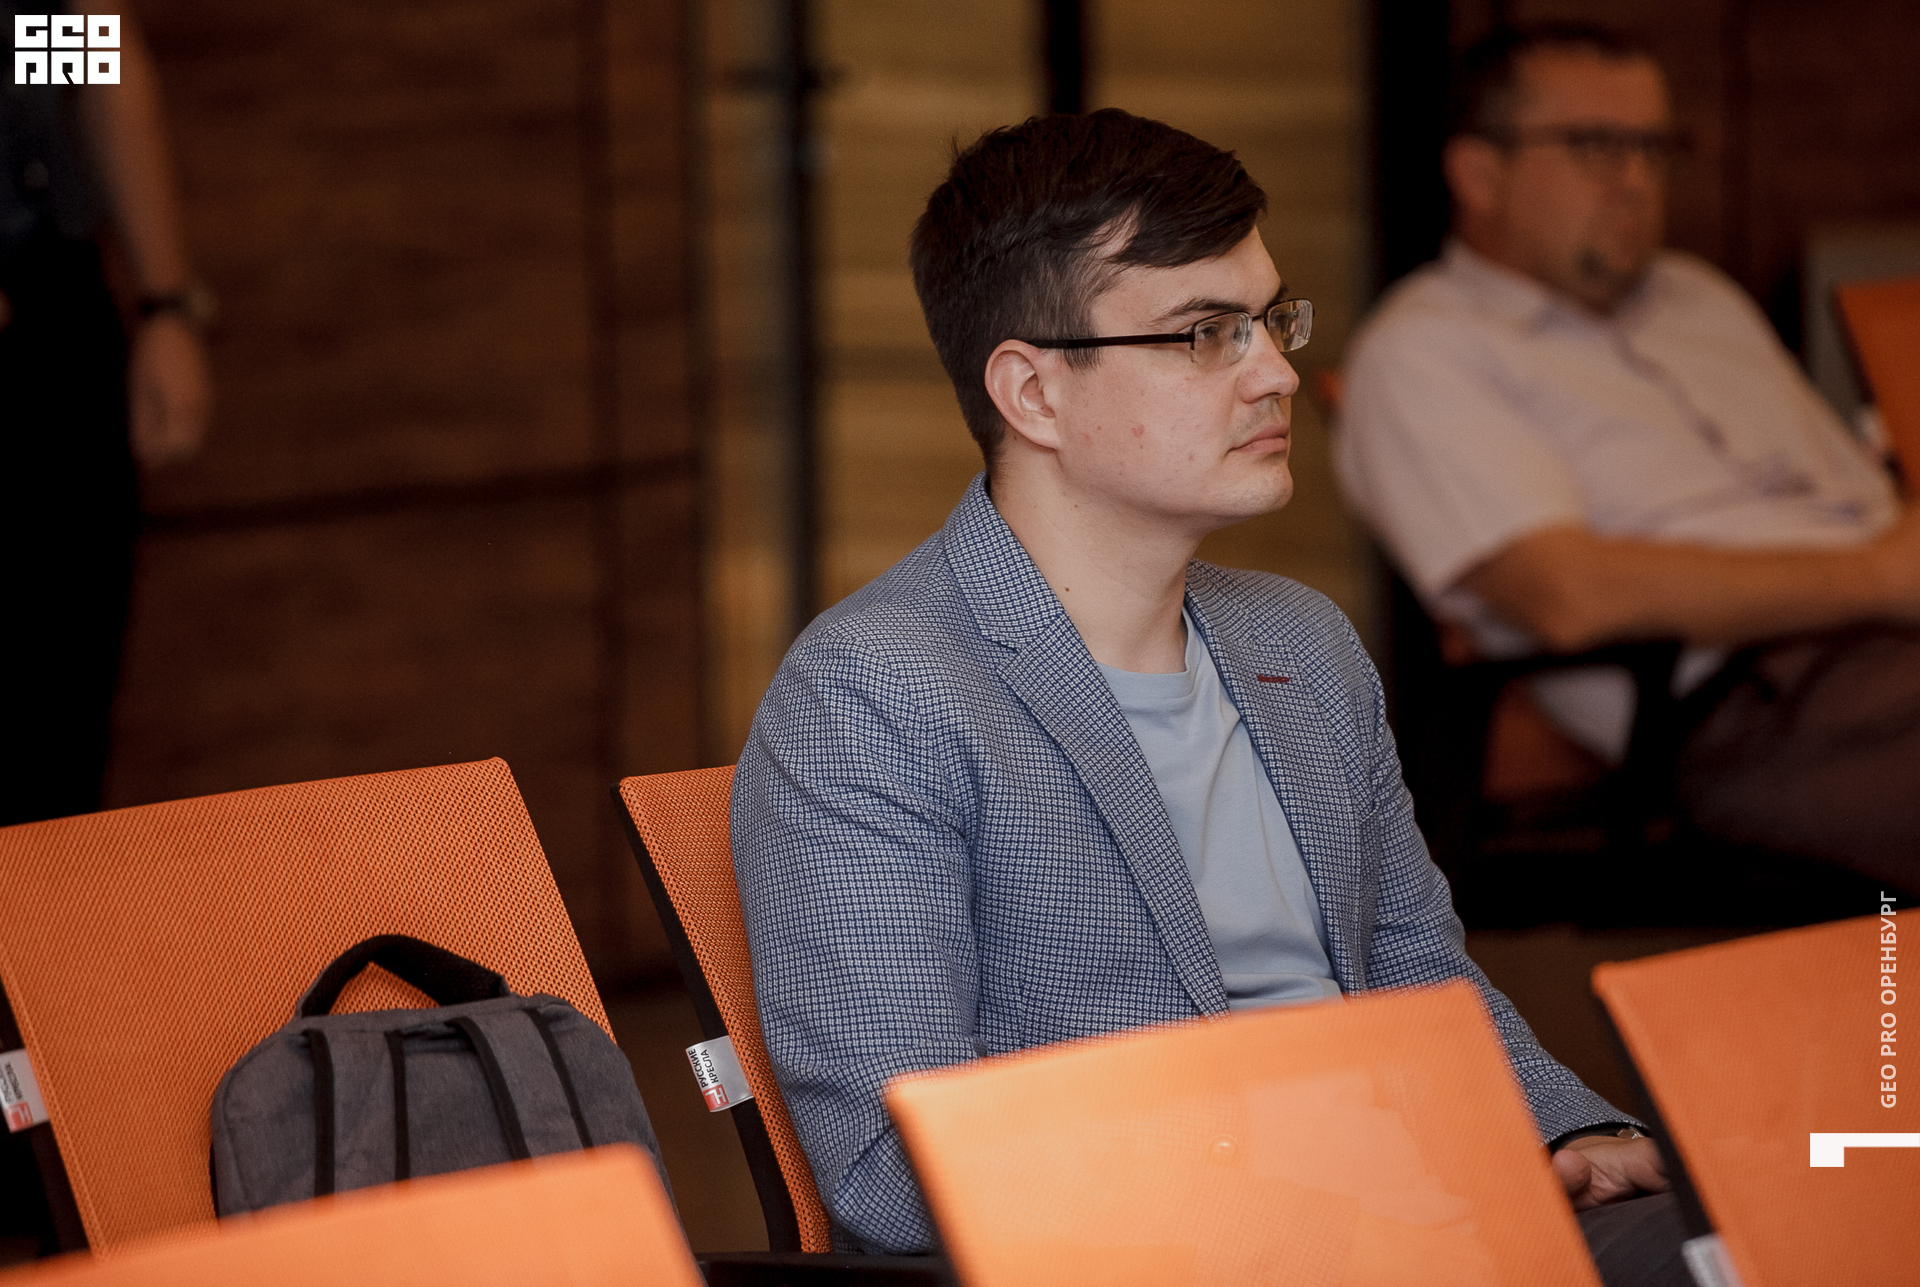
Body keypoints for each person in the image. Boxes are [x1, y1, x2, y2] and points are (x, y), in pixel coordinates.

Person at [733, 109, 1685, 1285]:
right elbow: (894, 1163)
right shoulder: (877, 695)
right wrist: (1316, 1189)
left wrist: (1564, 1130)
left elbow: (1416, 971)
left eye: (1271, 320)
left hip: (1433, 1216)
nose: (1275, 372)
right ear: (1033, 393)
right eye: (1205, 335)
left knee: (1802, 1224)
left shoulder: (1301, 644)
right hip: (1193, 1252)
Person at [1336, 24, 1919, 889]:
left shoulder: (1699, 299)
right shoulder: (1426, 349)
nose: (1637, 180)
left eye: (1653, 147)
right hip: (1751, 703)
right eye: (1597, 147)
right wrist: (1880, 578)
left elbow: (1861, 499)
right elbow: (1566, 595)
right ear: (1479, 174)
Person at [1, 5, 211, 828]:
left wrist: (166, 307)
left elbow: (90, 51)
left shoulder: (27, 34)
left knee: (58, 724)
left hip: (51, 321)